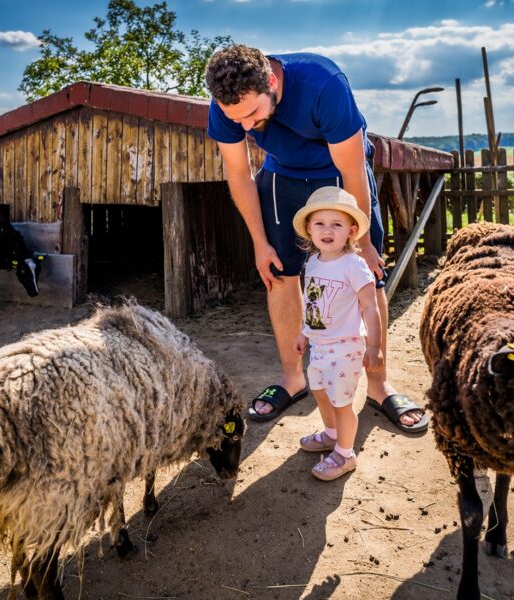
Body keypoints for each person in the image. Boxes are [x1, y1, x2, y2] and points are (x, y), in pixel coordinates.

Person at [204, 44, 428, 432]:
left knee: (367, 273)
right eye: (234, 118)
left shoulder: (324, 84)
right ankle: (293, 379)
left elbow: (353, 168)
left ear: (271, 83)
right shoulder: (226, 106)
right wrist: (259, 241)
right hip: (282, 177)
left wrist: (366, 243)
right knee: (278, 272)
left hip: (339, 174)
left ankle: (378, 385)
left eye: (252, 113)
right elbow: (239, 175)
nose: (244, 126)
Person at [292, 187, 381, 480]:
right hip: (319, 347)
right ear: (309, 229)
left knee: (342, 404)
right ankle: (331, 435)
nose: (327, 230)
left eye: (337, 224)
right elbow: (312, 304)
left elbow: (370, 308)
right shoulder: (313, 262)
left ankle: (345, 454)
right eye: (320, 223)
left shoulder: (354, 266)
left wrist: (374, 345)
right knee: (320, 392)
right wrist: (303, 333)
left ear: (351, 232)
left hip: (345, 349)